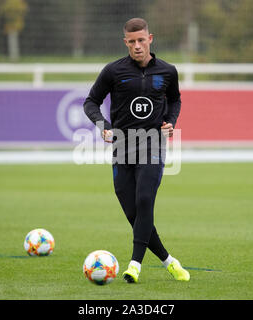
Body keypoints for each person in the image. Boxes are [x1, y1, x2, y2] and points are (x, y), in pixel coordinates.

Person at [83, 17, 190, 283]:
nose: (137, 46)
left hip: (152, 144)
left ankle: (134, 265)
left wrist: (171, 122)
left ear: (150, 39)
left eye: (141, 40)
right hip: (122, 146)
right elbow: (91, 102)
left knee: (144, 200)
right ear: (125, 43)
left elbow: (175, 100)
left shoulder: (167, 71)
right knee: (133, 212)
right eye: (132, 42)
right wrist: (103, 126)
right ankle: (169, 261)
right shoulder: (113, 71)